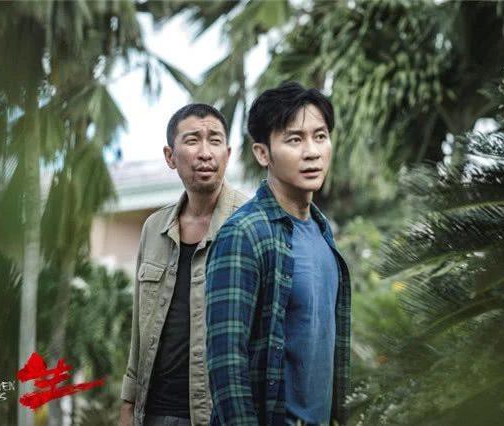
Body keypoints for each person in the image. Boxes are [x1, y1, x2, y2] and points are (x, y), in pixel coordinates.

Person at [205, 82, 351, 426]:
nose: (312, 152)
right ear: (262, 153)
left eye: (320, 136)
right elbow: (226, 364)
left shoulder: (322, 231)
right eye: (294, 140)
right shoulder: (244, 234)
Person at [120, 104, 249, 426]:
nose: (205, 153)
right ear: (170, 156)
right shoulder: (154, 227)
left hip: (221, 415)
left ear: (227, 154)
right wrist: (127, 404)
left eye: (215, 140)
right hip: (153, 412)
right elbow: (140, 327)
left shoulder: (251, 223)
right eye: (192, 140)